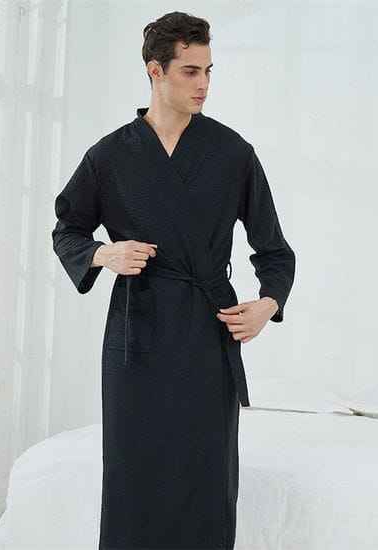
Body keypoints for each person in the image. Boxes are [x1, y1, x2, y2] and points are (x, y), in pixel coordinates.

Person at [51, 11, 296, 550]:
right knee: (133, 472)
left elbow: (274, 250)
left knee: (206, 475)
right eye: (190, 71)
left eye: (208, 71)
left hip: (208, 331)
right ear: (154, 71)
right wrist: (104, 253)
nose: (203, 83)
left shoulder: (232, 153)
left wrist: (267, 304)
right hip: (137, 333)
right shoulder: (110, 155)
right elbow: (67, 230)